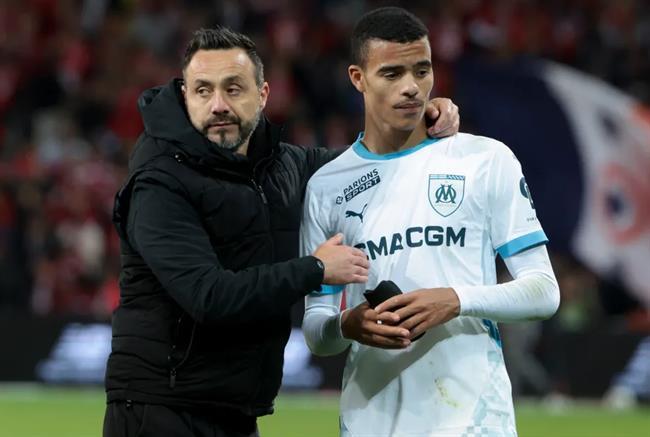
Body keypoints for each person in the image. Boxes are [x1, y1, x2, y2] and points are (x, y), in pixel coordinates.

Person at [103, 26, 460, 437]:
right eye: (203, 90)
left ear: (263, 95)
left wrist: (420, 120)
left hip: (235, 411)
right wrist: (315, 269)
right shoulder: (160, 182)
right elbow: (208, 296)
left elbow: (368, 166)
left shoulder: (284, 167)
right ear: (185, 95)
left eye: (233, 89)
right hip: (159, 409)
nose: (218, 105)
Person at [301, 7, 560, 437]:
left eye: (422, 70)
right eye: (391, 73)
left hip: (474, 422)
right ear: (358, 78)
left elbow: (544, 291)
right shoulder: (327, 187)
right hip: (372, 421)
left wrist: (455, 300)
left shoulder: (484, 159)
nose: (411, 87)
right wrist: (347, 325)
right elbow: (317, 328)